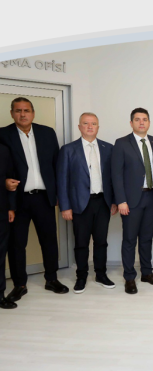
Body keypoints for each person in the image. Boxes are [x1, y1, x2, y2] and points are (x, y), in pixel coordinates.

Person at [0, 97, 69, 302]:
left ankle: (51, 279)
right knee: (16, 244)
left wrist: (59, 194)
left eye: (27, 110)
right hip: (17, 200)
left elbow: (57, 165)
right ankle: (19, 284)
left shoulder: (47, 133)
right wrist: (4, 182)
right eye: (18, 110)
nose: (23, 114)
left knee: (49, 240)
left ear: (33, 113)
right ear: (12, 113)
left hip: (44, 197)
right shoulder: (3, 134)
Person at [57, 113, 117, 294]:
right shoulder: (68, 150)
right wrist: (65, 206)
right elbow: (62, 180)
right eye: (86, 123)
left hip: (103, 202)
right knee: (81, 243)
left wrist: (114, 201)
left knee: (101, 242)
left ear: (98, 127)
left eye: (94, 123)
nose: (90, 127)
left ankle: (101, 274)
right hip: (79, 204)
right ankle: (81, 276)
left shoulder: (108, 148)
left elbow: (114, 178)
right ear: (79, 127)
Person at [111, 107, 153, 294]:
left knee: (146, 238)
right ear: (131, 123)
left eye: (144, 119)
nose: (141, 122)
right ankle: (129, 277)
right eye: (137, 119)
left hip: (152, 197)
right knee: (129, 239)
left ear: (149, 122)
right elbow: (116, 174)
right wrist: (121, 200)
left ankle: (147, 273)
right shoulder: (121, 143)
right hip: (131, 200)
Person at [0, 143, 16, 309]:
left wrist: (11, 207)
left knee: (0, 254)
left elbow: (10, 179)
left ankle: (0, 294)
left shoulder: (3, 149)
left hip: (2, 210)